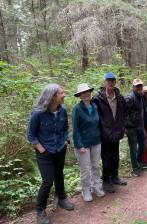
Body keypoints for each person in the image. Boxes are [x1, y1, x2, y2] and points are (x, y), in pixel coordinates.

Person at [27, 83, 74, 224]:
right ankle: (40, 211)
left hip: (60, 148)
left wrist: (65, 140)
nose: (64, 95)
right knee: (48, 181)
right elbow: (30, 135)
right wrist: (41, 148)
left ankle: (62, 198)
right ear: (53, 97)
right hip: (44, 151)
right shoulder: (38, 113)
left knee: (59, 174)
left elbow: (65, 127)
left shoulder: (62, 110)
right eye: (61, 93)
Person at [92, 72, 127, 194]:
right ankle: (106, 181)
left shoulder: (120, 97)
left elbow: (123, 114)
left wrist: (123, 127)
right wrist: (99, 131)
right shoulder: (97, 98)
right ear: (105, 82)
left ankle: (115, 177)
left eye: (113, 80)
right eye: (109, 80)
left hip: (116, 132)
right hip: (104, 134)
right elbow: (94, 117)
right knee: (106, 158)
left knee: (115, 156)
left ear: (115, 82)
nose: (111, 82)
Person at [72, 83, 105, 202]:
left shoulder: (94, 106)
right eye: (83, 93)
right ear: (80, 95)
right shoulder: (77, 109)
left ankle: (96, 187)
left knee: (95, 166)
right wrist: (79, 145)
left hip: (96, 141)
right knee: (85, 169)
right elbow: (75, 129)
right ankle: (85, 190)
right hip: (83, 145)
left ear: (90, 93)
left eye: (88, 92)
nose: (86, 94)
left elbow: (99, 124)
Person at [125, 79, 146, 177]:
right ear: (133, 87)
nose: (139, 88)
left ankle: (138, 162)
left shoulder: (141, 96)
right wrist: (125, 126)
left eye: (140, 86)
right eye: (137, 86)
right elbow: (123, 112)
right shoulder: (130, 98)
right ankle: (134, 169)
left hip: (140, 126)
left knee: (143, 145)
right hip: (132, 128)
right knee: (133, 148)